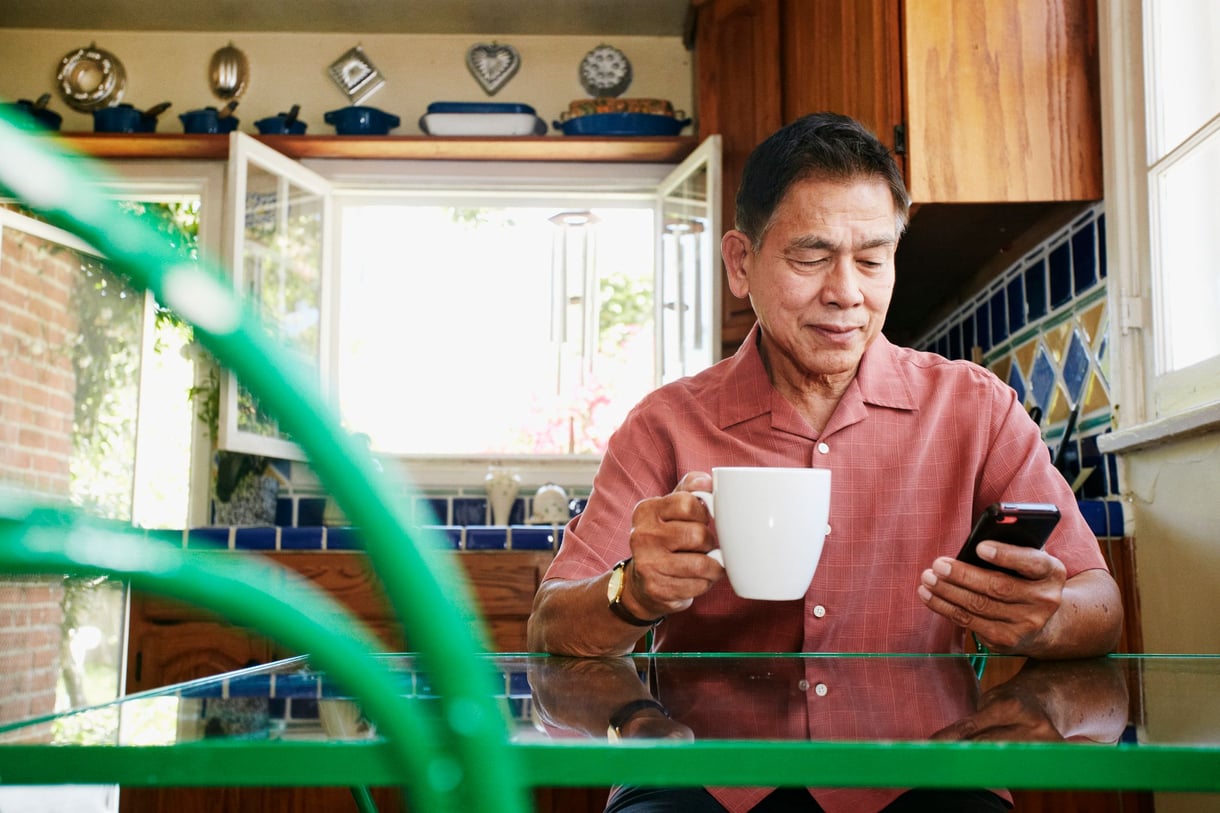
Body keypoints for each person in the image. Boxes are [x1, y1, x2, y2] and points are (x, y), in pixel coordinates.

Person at [526, 112, 1122, 812]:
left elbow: (1100, 603)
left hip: (926, 771)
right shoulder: (664, 425)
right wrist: (635, 591)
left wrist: (1045, 617)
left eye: (872, 259)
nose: (847, 292)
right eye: (812, 257)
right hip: (702, 775)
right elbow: (549, 631)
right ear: (741, 263)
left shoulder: (976, 408)